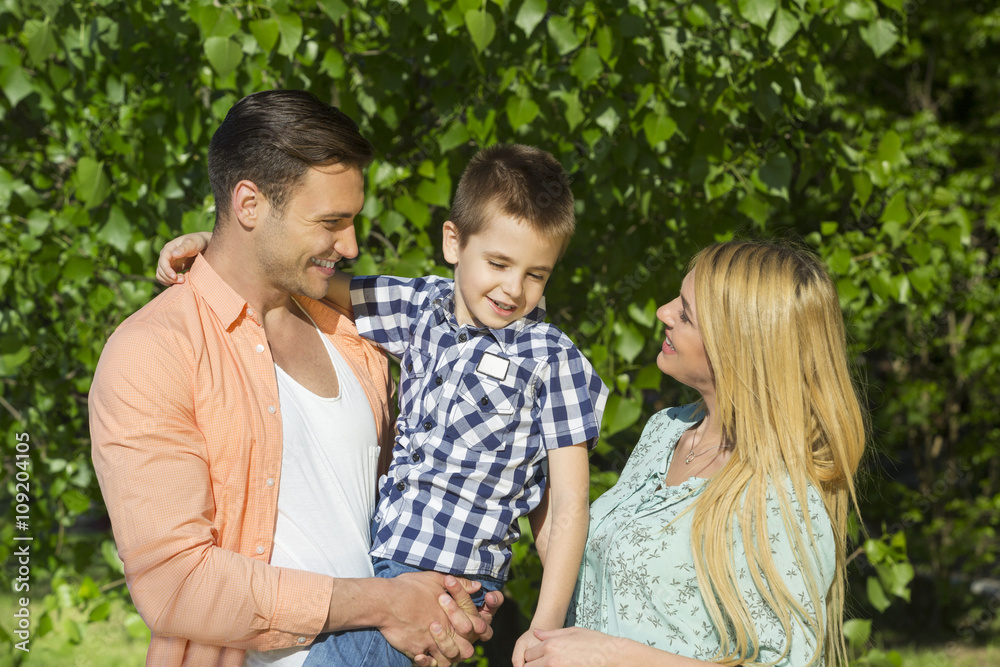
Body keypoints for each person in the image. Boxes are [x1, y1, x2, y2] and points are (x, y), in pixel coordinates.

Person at [90, 89, 500, 667]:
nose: (350, 245)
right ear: (249, 204)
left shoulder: (354, 334)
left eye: (353, 221)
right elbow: (177, 582)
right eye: (331, 222)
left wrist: (443, 598)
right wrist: (384, 604)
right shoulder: (153, 352)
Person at [157, 143, 609, 667]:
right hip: (380, 563)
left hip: (451, 578)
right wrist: (215, 247)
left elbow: (569, 506)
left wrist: (546, 628)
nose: (513, 289)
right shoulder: (421, 308)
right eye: (499, 263)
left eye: (536, 274)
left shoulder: (553, 360)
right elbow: (307, 278)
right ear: (454, 241)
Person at [521, 240, 866, 666]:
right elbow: (597, 580)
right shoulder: (666, 430)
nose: (663, 312)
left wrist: (613, 655)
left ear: (740, 346)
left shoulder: (782, 497)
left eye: (685, 314)